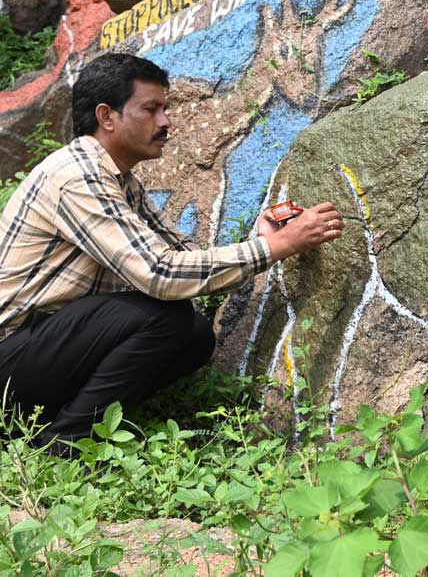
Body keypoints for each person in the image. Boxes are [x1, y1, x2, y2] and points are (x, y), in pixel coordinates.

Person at [0, 53, 343, 455]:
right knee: (164, 315)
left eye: (166, 108)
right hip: (12, 355)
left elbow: (180, 256)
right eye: (151, 109)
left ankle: (61, 423)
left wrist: (261, 239)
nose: (166, 122)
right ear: (106, 116)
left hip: (45, 350)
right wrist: (279, 246)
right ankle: (67, 444)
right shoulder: (76, 177)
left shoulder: (120, 181)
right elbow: (161, 274)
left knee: (194, 336)